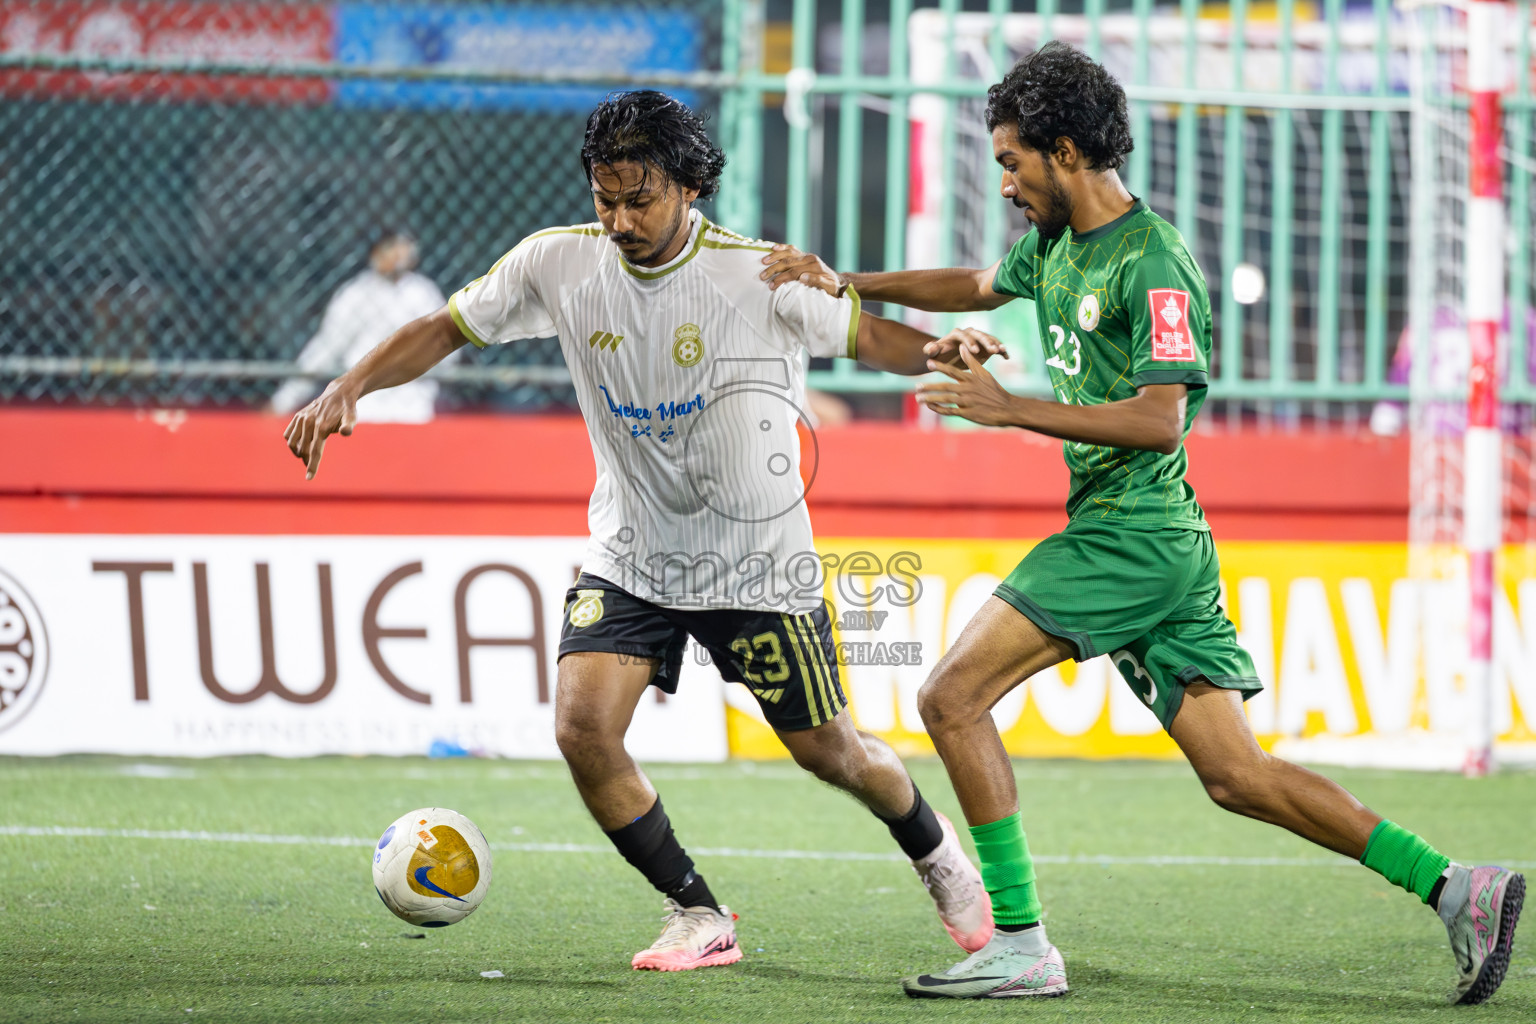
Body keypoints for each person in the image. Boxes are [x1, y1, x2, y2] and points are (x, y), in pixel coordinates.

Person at [763, 42, 1524, 1004]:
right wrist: (847, 283)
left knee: (950, 699)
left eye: (1011, 161)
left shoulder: (1155, 261)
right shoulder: (1056, 244)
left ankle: (1021, 941)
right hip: (1154, 539)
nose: (1004, 182)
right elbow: (974, 285)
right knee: (1237, 775)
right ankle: (1459, 887)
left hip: (1135, 533)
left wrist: (1013, 408)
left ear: (1067, 150)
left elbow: (1164, 417)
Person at [283, 91, 1004, 972]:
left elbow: (872, 338)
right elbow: (444, 327)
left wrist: (942, 352)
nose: (620, 219)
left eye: (641, 198)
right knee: (583, 728)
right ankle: (698, 914)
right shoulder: (556, 264)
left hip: (758, 570)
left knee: (834, 752)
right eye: (604, 197)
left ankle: (937, 857)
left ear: (691, 186)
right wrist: (348, 386)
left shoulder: (757, 274)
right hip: (631, 555)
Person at [271, 229, 448, 423]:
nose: (396, 255)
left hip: (413, 404)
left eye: (403, 248)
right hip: (364, 405)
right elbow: (325, 350)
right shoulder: (357, 293)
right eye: (389, 248)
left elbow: (446, 350)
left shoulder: (424, 293)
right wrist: (284, 401)